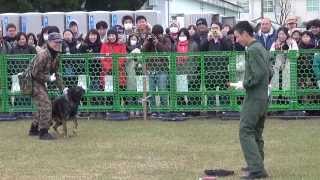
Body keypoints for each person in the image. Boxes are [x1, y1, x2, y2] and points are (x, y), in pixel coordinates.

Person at [231, 21, 272, 179]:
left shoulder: (252, 50)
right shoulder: (261, 47)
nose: (237, 40)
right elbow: (269, 71)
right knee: (256, 132)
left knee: (245, 130)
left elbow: (259, 73)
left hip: (254, 96)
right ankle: (257, 164)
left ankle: (256, 169)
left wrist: (244, 83)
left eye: (237, 37)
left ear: (245, 34)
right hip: (263, 95)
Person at [28, 32, 67, 140]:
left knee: (41, 106)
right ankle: (43, 132)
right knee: (46, 104)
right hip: (33, 81)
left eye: (59, 42)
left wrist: (63, 89)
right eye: (55, 42)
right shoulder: (43, 55)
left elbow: (56, 73)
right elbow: (34, 73)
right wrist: (48, 78)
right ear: (49, 42)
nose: (58, 44)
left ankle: (34, 129)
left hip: (40, 81)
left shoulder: (57, 55)